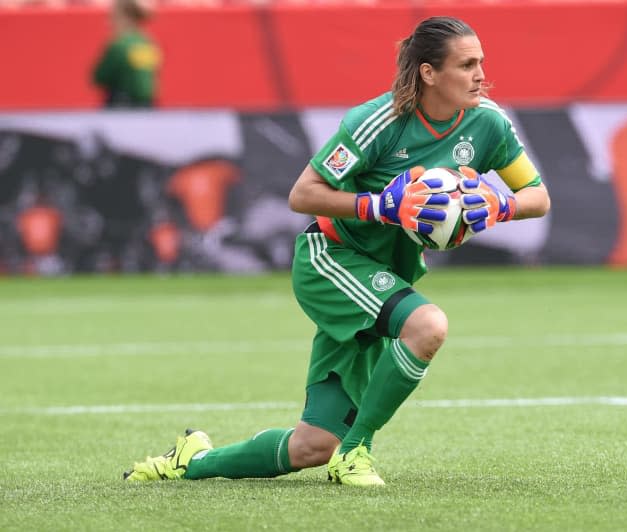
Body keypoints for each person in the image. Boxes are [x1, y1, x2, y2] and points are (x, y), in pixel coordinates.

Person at [123, 16, 550, 487]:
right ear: (429, 73)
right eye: (467, 65)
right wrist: (381, 205)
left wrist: (498, 203)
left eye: (481, 63)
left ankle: (191, 461)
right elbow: (302, 194)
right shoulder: (376, 122)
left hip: (382, 273)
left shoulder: (487, 122)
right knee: (427, 327)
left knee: (310, 446)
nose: (479, 75)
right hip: (331, 258)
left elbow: (537, 196)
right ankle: (356, 453)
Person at [92, 0, 161, 108]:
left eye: (112, 17)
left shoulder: (119, 46)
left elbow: (98, 77)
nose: (109, 22)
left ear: (123, 18)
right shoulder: (149, 44)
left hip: (122, 107)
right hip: (149, 107)